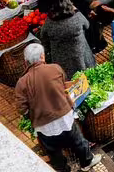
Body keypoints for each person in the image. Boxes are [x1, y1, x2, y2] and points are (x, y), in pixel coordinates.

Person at [15, 43, 102, 172]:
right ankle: (86, 162)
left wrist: (31, 114)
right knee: (77, 141)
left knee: (53, 152)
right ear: (42, 56)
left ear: (26, 61)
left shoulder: (21, 83)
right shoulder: (55, 68)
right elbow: (63, 86)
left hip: (43, 125)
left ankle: (62, 169)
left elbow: (21, 108)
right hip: (64, 117)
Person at [38, 0, 103, 52]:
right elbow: (43, 5)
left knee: (88, 25)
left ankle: (94, 46)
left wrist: (86, 9)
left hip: (76, 8)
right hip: (59, 15)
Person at [40, 0, 96, 78]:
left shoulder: (49, 23)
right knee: (88, 75)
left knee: (68, 79)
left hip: (60, 58)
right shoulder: (77, 17)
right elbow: (87, 25)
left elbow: (43, 36)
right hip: (80, 55)